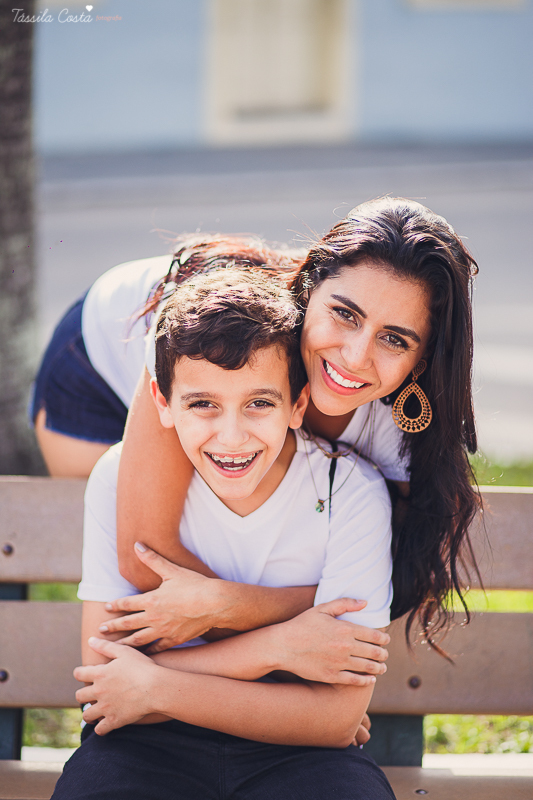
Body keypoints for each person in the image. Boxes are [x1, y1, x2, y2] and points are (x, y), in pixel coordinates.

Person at [32, 197, 481, 650]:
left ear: (423, 358)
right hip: (97, 361)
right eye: (344, 314)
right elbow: (143, 556)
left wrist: (225, 607)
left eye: (394, 339)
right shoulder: (208, 327)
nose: (355, 356)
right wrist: (270, 631)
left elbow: (387, 581)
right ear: (309, 289)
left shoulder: (404, 434)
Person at [51, 268, 396, 800]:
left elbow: (334, 721)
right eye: (202, 404)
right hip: (146, 745)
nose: (231, 437)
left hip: (298, 752)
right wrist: (276, 649)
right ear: (162, 402)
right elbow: (104, 689)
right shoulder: (119, 479)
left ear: (297, 405)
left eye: (259, 403)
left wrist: (154, 685)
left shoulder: (349, 491)